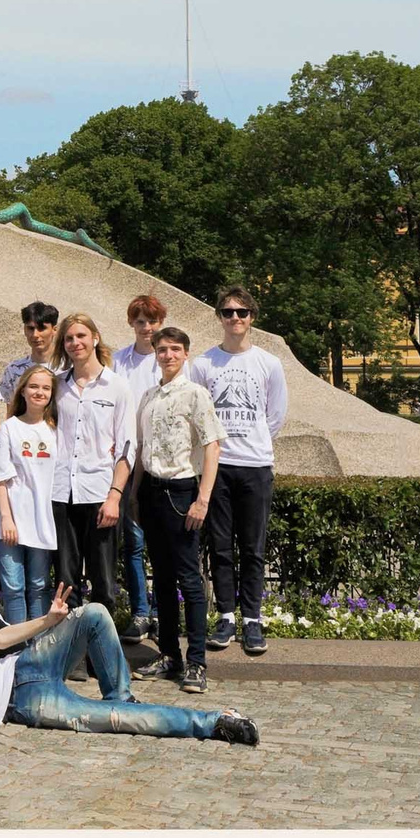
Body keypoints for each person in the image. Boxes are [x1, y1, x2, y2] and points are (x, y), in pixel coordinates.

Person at [0, 590, 260, 744]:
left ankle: (123, 696)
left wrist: (50, 621)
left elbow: (1, 640)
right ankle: (214, 723)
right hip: (28, 704)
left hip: (25, 663)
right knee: (113, 721)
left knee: (92, 613)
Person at [190, 287, 289, 655]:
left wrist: (254, 439)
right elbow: (198, 414)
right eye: (228, 312)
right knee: (220, 547)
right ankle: (226, 616)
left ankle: (252, 619)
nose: (235, 318)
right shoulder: (203, 364)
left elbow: (275, 416)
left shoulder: (269, 364)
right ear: (219, 317)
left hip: (255, 465)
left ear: (252, 317)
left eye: (242, 312)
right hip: (219, 467)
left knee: (253, 547)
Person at [130, 326, 221, 692]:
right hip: (152, 492)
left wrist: (203, 498)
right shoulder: (149, 397)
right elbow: (140, 449)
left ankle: (197, 662)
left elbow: (212, 447)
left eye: (174, 349)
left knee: (189, 580)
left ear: (185, 354)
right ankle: (170, 655)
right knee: (162, 580)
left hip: (183, 491)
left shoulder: (195, 394)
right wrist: (135, 495)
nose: (167, 355)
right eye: (162, 349)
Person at [53, 314, 135, 613]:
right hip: (62, 492)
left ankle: (102, 654)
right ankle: (70, 652)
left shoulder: (117, 387)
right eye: (69, 338)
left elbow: (127, 448)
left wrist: (115, 496)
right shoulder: (56, 385)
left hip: (100, 493)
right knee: (65, 582)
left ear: (95, 338)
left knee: (103, 582)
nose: (75, 343)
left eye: (81, 336)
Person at [112, 295, 170, 637]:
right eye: (140, 321)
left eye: (151, 321)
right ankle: (140, 612)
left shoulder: (167, 359)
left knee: (163, 542)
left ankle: (165, 612)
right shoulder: (120, 360)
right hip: (127, 459)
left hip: (160, 461)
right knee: (132, 543)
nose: (146, 327)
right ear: (132, 323)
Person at [0, 365, 61, 623]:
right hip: (12, 518)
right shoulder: (10, 428)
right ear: (23, 391)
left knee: (39, 585)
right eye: (34, 386)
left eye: (45, 387)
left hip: (42, 517)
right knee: (14, 588)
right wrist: (6, 517)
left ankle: (38, 645)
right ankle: (17, 649)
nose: (39, 392)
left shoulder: (56, 430)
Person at [0, 303, 66, 406]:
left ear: (54, 330)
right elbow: (12, 412)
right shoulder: (13, 370)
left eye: (41, 328)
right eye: (31, 328)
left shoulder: (68, 367)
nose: (35, 335)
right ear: (25, 330)